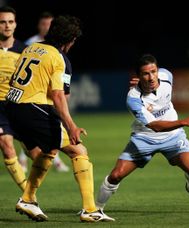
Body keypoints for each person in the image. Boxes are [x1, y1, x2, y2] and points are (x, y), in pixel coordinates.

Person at [6, 15, 114, 222]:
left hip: (12, 107)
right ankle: (90, 209)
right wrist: (71, 126)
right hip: (32, 108)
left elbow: (14, 80)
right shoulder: (60, 59)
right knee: (78, 150)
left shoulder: (30, 48)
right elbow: (58, 96)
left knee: (49, 150)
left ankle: (28, 198)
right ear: (71, 39)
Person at [96, 54, 189, 212]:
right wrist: (184, 121)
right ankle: (95, 210)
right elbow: (155, 126)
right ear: (138, 76)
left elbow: (156, 79)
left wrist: (144, 82)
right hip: (144, 138)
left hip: (173, 136)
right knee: (116, 175)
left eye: (153, 71)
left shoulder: (166, 76)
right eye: (145, 74)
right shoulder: (133, 99)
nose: (151, 77)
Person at [19, 11, 70, 173]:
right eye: (44, 24)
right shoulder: (30, 44)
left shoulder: (50, 47)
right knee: (73, 148)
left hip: (35, 96)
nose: (47, 27)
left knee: (44, 137)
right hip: (35, 97)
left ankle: (28, 194)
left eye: (50, 24)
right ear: (38, 26)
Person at [0, 6, 28, 192]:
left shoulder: (24, 51)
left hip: (19, 106)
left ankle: (30, 192)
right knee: (6, 145)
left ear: (16, 24)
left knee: (39, 153)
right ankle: (28, 196)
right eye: (2, 22)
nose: (7, 26)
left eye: (10, 22)